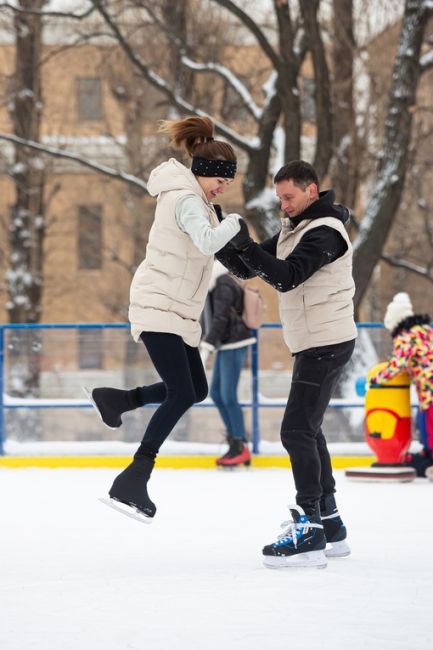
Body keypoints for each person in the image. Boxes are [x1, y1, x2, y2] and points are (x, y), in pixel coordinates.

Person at [85, 116, 242, 522]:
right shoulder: (186, 200)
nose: (224, 188)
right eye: (220, 180)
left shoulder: (199, 201)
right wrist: (233, 225)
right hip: (159, 306)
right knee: (180, 393)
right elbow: (209, 241)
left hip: (176, 310)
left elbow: (208, 247)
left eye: (227, 183)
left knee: (196, 389)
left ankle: (120, 399)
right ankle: (135, 476)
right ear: (204, 172)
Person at [219, 160, 357, 568]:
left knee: (296, 431)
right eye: (280, 197)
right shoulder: (294, 227)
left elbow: (286, 277)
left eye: (289, 197)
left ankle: (310, 529)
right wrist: (224, 235)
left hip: (327, 342)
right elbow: (247, 267)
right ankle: (330, 524)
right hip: (313, 342)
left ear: (311, 191)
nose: (283, 204)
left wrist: (246, 245)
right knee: (309, 431)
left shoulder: (325, 233)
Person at [370, 292, 433, 477]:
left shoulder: (406, 336)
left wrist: (375, 379)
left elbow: (397, 364)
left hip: (429, 390)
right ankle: (427, 456)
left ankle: (430, 458)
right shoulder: (424, 330)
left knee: (428, 423)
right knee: (424, 422)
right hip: (427, 389)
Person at [200, 260, 256, 467]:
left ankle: (240, 445)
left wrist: (207, 345)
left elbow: (221, 318)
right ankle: (235, 441)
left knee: (228, 395)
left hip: (234, 342)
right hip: (225, 343)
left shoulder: (223, 284)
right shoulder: (218, 282)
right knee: (216, 393)